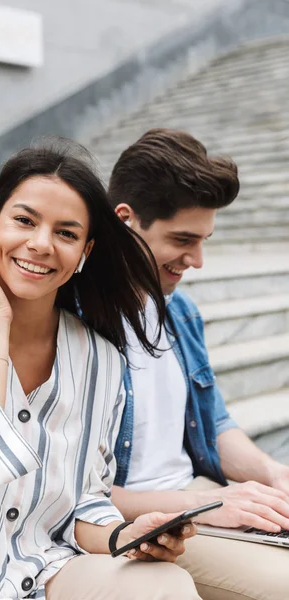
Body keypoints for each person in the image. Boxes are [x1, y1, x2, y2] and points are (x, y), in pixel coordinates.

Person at [0, 140, 199, 600]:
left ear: (85, 252)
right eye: (25, 220)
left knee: (163, 585)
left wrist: (126, 535)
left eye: (66, 233)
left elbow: (86, 499)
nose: (40, 244)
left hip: (44, 572)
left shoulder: (100, 358)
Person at [108, 129, 289, 600]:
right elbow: (70, 493)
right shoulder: (75, 322)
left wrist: (274, 475)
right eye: (183, 239)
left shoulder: (180, 311)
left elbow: (216, 423)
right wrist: (204, 503)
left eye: (205, 239)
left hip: (201, 496)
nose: (198, 260)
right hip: (143, 524)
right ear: (125, 222)